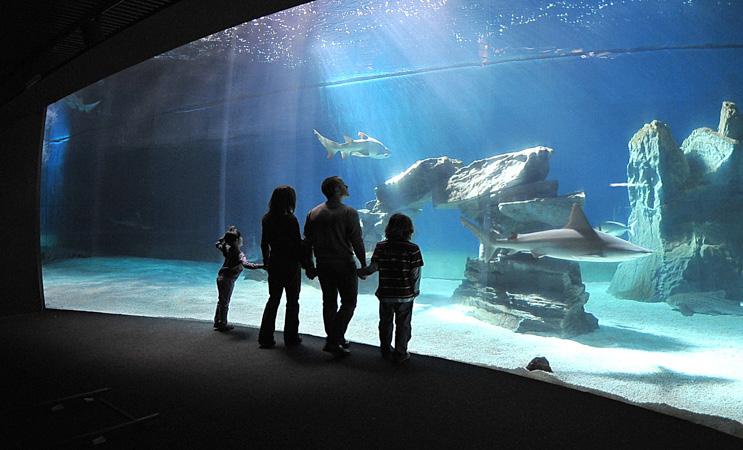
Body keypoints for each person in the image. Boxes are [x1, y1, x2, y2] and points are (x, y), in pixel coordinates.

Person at [303, 176, 367, 356]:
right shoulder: (349, 212)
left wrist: (309, 265)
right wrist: (363, 264)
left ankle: (336, 338)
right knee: (349, 303)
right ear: (337, 190)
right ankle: (334, 339)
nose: (346, 185)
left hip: (323, 265)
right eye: (342, 184)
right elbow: (357, 241)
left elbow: (307, 243)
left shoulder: (313, 213)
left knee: (328, 303)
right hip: (344, 265)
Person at [358, 213, 423, 363]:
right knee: (403, 324)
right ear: (409, 230)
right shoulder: (413, 248)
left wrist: (362, 272)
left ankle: (385, 349)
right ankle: (401, 352)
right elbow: (416, 273)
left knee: (385, 322)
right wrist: (415, 290)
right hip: (405, 294)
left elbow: (373, 267)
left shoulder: (381, 246)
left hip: (386, 293)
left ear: (389, 228)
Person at [258, 185, 304, 348]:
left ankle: (265, 338)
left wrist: (266, 262)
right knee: (292, 301)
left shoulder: (267, 218)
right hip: (291, 264)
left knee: (273, 299)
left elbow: (264, 243)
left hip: (275, 262)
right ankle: (291, 338)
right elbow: (298, 244)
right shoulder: (291, 219)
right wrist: (305, 263)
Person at [214, 225, 262, 332]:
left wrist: (225, 236)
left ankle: (217, 321)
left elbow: (217, 244)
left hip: (220, 278)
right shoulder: (240, 254)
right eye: (240, 238)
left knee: (221, 300)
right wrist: (263, 266)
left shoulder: (227, 249)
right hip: (228, 280)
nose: (242, 239)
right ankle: (223, 324)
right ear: (237, 240)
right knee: (225, 302)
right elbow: (247, 265)